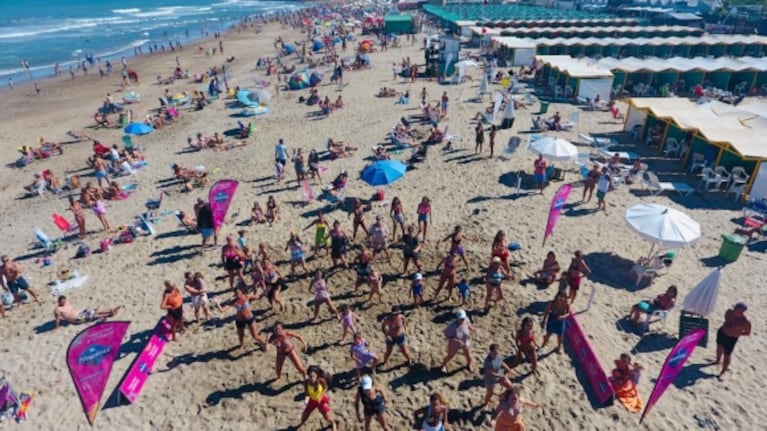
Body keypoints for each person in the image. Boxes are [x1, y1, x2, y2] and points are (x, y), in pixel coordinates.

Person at [217, 285, 267, 353]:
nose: (238, 294)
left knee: (255, 336)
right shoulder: (234, 302)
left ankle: (264, 343)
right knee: (241, 336)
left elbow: (258, 297)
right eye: (236, 293)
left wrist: (264, 293)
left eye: (238, 292)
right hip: (240, 320)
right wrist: (217, 303)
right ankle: (242, 345)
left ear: (241, 292)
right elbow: (222, 310)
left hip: (249, 318)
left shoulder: (247, 296)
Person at [715, 303, 751, 380]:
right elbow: (726, 318)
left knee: (727, 354)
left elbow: (747, 333)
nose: (734, 309)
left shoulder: (746, 321)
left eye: (736, 309)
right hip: (722, 332)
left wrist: (736, 332)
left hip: (731, 338)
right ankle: (717, 361)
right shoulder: (729, 312)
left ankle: (723, 372)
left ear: (742, 311)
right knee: (719, 346)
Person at [297, 366, 338, 430]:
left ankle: (333, 423)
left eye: (313, 376)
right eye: (310, 376)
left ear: (317, 376)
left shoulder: (321, 381)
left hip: (321, 401)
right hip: (312, 401)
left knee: (327, 417)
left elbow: (325, 388)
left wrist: (321, 396)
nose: (312, 378)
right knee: (304, 416)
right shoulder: (306, 383)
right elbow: (307, 394)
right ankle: (302, 423)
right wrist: (305, 403)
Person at [53, 296, 121, 329]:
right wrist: (57, 327)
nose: (64, 303)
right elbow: (57, 319)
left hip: (81, 313)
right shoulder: (57, 310)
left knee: (95, 310)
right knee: (92, 315)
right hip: (77, 319)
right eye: (63, 302)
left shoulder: (67, 302)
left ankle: (111, 309)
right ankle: (110, 313)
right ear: (59, 302)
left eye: (65, 301)